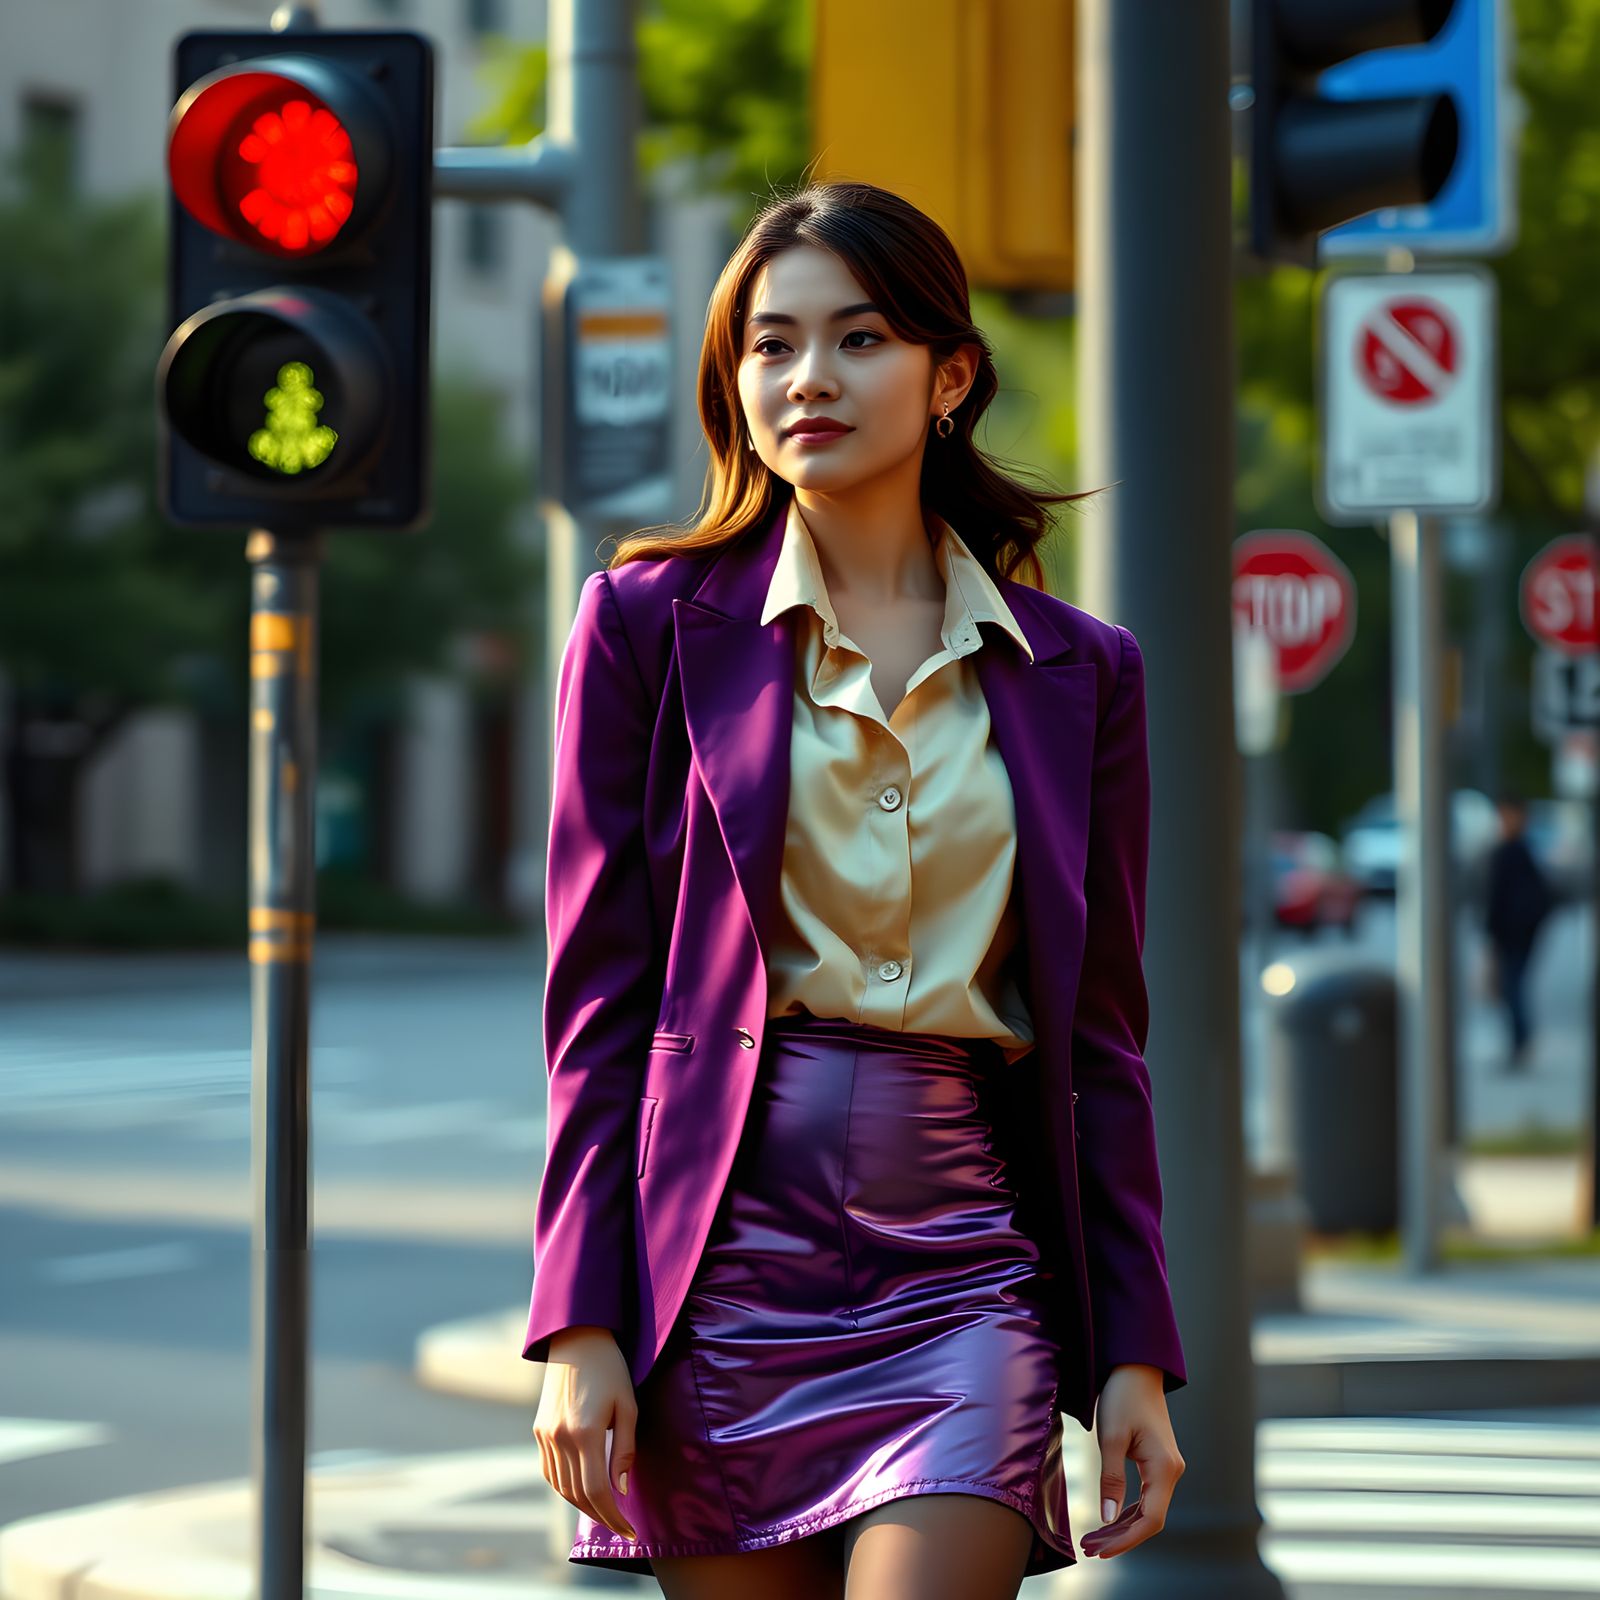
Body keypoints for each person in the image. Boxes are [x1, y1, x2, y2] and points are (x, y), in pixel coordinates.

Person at [524, 179, 1187, 1600]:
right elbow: (599, 1009)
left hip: (963, 1274)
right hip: (716, 1277)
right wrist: (580, 1325)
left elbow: (1103, 1045)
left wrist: (1133, 1352)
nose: (807, 377)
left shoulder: (1081, 673)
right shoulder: (646, 627)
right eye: (770, 344)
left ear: (950, 376)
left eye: (860, 337)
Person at [1484, 791, 1555, 1069]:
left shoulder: (1512, 851)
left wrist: (1495, 934)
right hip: (1516, 933)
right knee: (1512, 989)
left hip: (1514, 934)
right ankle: (1519, 1041)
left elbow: (1499, 898)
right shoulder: (1520, 850)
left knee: (1512, 989)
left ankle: (1520, 1043)